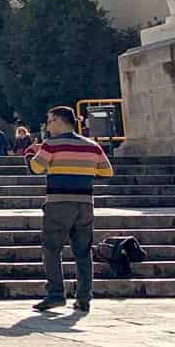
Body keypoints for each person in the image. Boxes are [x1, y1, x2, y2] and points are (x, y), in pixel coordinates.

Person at [29, 105, 114, 314]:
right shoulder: (92, 145)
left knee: (51, 249)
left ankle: (56, 294)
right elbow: (107, 171)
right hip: (85, 203)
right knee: (83, 252)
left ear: (60, 121)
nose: (48, 126)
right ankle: (84, 297)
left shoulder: (51, 144)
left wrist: (31, 154)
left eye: (50, 121)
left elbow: (36, 167)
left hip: (58, 202)